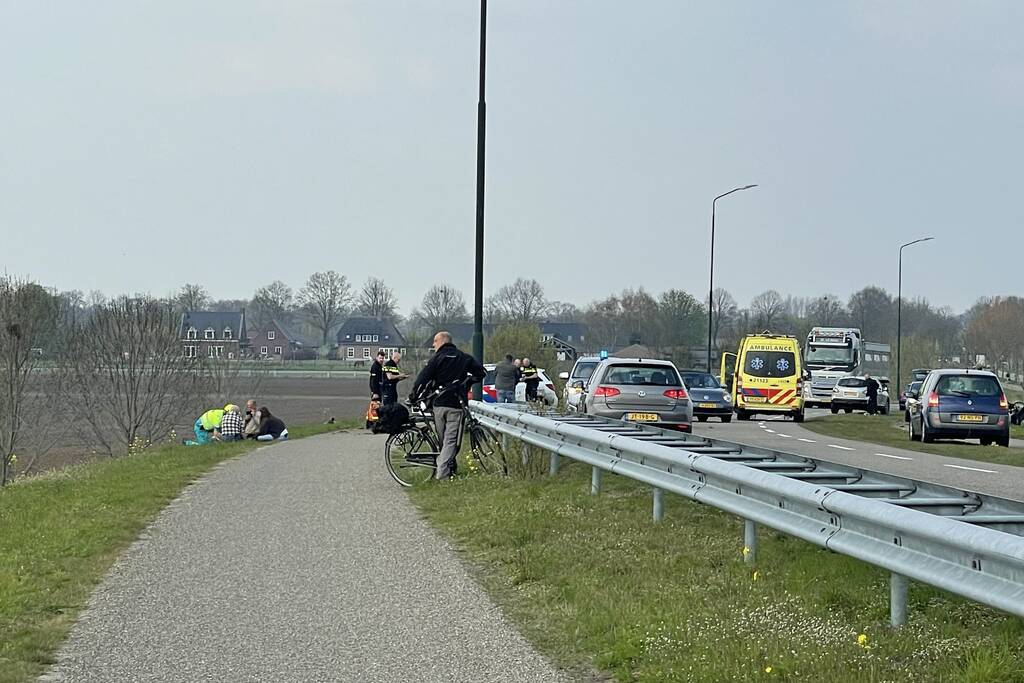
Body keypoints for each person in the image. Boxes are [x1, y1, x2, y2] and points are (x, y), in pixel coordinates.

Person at [411, 331, 486, 480]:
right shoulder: (464, 358)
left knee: (442, 440)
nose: (433, 344)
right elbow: (481, 372)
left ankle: (448, 468)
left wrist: (413, 395)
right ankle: (443, 473)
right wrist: (467, 383)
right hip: (456, 405)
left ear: (443, 341)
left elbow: (423, 378)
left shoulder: (436, 359)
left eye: (435, 341)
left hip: (438, 404)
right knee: (451, 441)